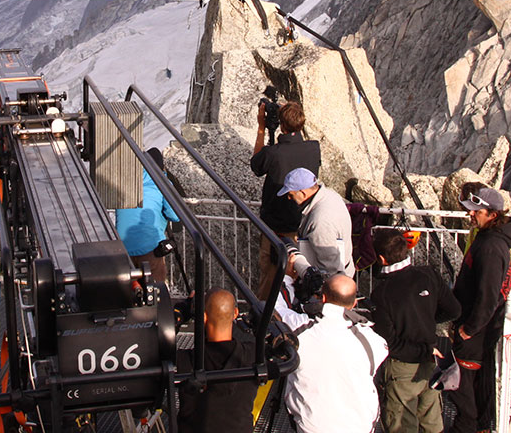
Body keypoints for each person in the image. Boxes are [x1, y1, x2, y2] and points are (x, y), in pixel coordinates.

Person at [370, 229, 461, 433]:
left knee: (402, 424)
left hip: (403, 368)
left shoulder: (381, 294)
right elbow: (454, 310)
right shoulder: (429, 274)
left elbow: (389, 342)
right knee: (432, 421)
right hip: (431, 360)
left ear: (381, 259)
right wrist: (429, 318)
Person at [284, 274, 388, 433]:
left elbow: (275, 309)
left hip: (313, 427)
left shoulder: (301, 330)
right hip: (360, 426)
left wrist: (287, 276)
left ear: (322, 298)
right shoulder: (372, 341)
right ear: (354, 304)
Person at [450, 187, 511, 433]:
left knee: (464, 391)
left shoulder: (490, 247)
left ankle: (469, 427)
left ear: (491, 214)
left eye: (476, 211)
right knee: (476, 387)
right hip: (479, 328)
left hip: (475, 331)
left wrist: (469, 328)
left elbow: (488, 295)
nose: (471, 215)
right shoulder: (491, 240)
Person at [250, 101, 320, 299]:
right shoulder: (314, 149)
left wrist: (262, 127)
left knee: (269, 278)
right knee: (299, 273)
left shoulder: (274, 153)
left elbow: (256, 165)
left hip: (274, 227)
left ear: (281, 124)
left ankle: (264, 318)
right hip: (302, 225)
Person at [176, 288, 259, 433]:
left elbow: (155, 344)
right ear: (235, 313)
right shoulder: (253, 355)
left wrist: (181, 310)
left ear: (204, 317)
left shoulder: (185, 361)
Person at [115, 147, 180, 283]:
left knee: (129, 293)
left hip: (122, 248)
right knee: (155, 292)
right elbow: (175, 215)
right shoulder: (162, 182)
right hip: (150, 248)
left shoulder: (125, 181)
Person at [277, 167, 354, 279]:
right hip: (346, 274)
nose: (289, 198)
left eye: (291, 194)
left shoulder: (320, 221)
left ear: (302, 193)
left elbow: (329, 267)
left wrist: (320, 289)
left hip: (333, 284)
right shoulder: (331, 196)